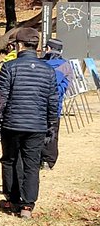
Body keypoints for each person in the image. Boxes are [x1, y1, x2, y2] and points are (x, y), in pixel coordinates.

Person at [0, 28, 58, 219]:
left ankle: (12, 200)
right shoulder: (48, 70)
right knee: (32, 163)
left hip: (12, 123)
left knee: (10, 160)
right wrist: (51, 124)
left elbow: (0, 98)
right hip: (37, 124)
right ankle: (27, 205)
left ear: (19, 45)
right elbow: (53, 100)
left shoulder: (9, 67)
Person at [38, 38, 71, 170]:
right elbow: (59, 85)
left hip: (37, 104)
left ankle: (39, 158)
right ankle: (48, 160)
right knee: (52, 133)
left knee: (37, 133)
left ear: (48, 49)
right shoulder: (65, 65)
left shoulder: (39, 64)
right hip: (54, 105)